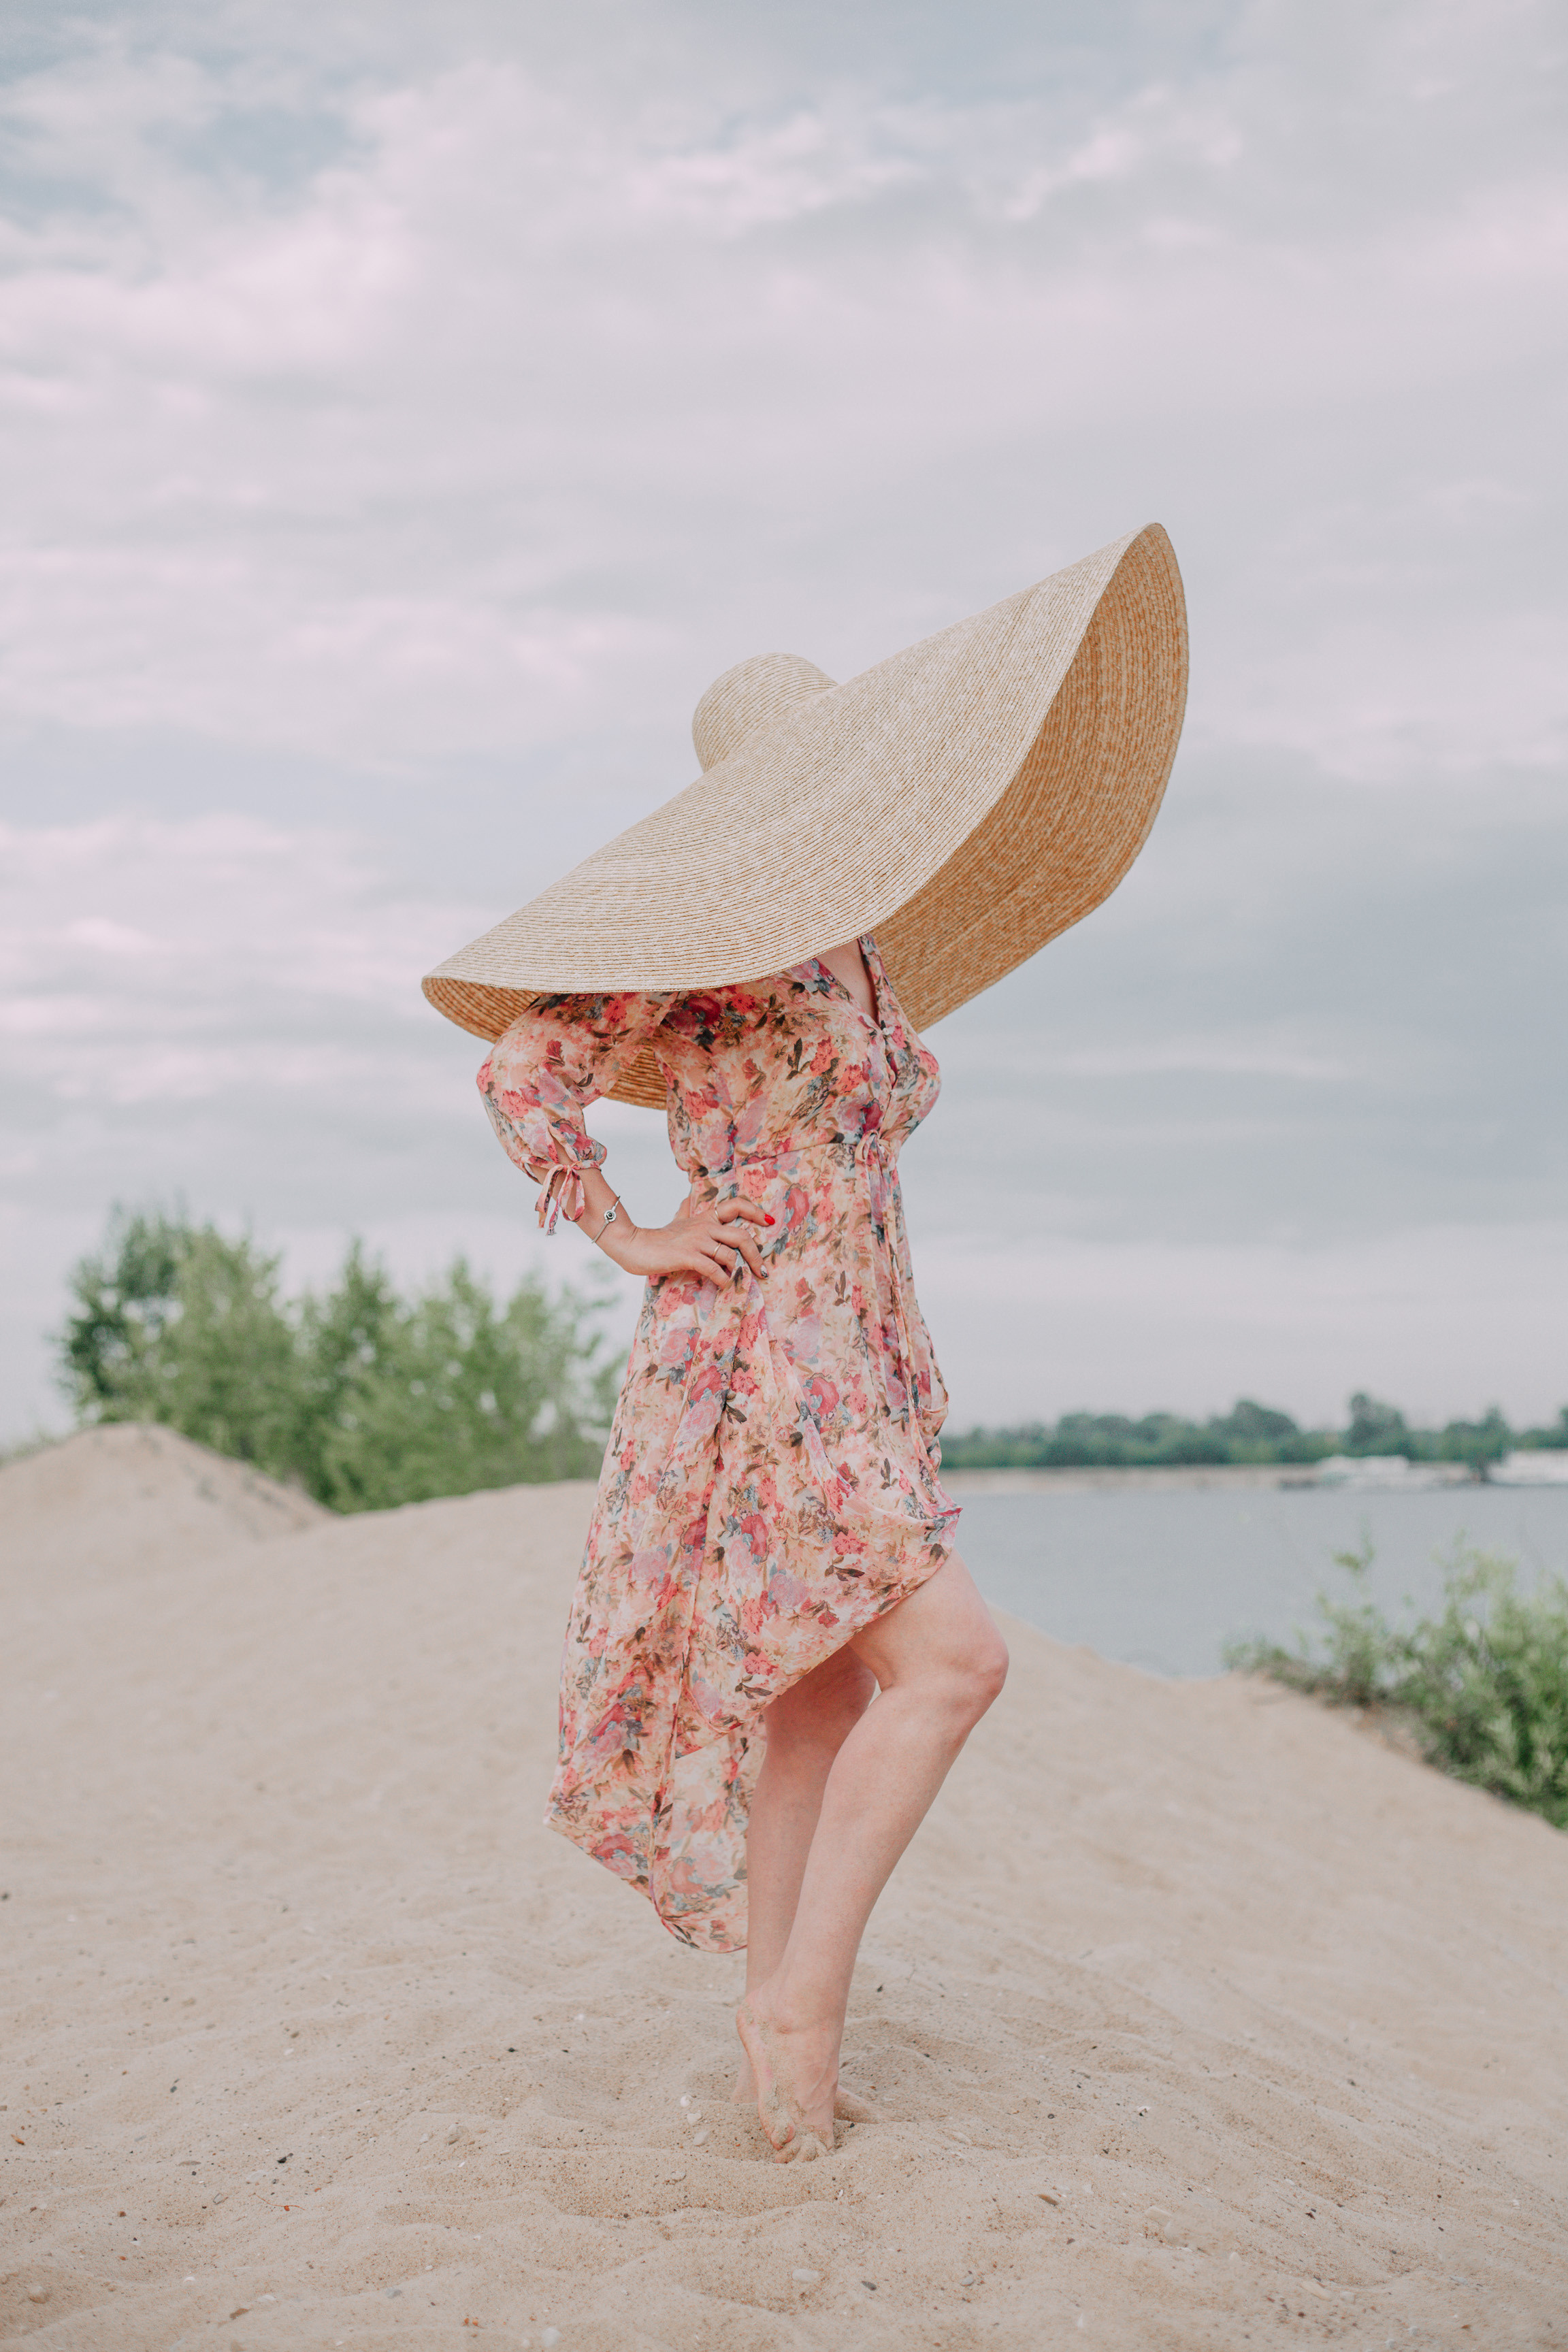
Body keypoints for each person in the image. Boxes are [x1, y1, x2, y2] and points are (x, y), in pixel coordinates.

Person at [423, 521, 1188, 2166]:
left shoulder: (850, 944)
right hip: (769, 1350)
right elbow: (519, 1073)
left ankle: (778, 2039)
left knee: (820, 1703)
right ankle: (804, 2007)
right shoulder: (713, 938)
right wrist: (631, 1231)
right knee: (957, 1664)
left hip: (855, 1340)